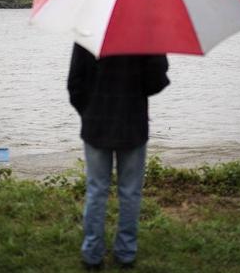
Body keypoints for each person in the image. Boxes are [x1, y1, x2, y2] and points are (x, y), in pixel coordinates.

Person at [67, 43, 170, 269]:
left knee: (96, 190)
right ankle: (125, 253)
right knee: (130, 192)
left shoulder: (88, 33)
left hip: (96, 126)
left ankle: (92, 255)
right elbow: (157, 82)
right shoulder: (145, 36)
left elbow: (75, 83)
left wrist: (89, 112)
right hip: (132, 125)